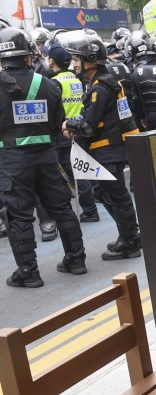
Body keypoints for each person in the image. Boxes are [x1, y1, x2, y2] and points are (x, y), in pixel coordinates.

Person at [0, 28, 87, 287]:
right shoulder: (49, 84)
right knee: (62, 207)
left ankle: (29, 272)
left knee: (19, 216)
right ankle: (76, 259)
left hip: (12, 161)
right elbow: (57, 123)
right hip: (47, 157)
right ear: (28, 56)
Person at [61, 29, 143, 260]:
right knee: (111, 194)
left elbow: (89, 125)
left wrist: (69, 123)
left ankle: (129, 242)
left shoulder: (100, 87)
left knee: (114, 196)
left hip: (108, 150)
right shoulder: (104, 82)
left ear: (89, 60)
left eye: (76, 59)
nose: (73, 63)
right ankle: (129, 236)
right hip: (111, 149)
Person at [45, 37, 100, 223]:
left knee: (75, 172)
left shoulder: (54, 82)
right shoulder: (76, 77)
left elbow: (54, 110)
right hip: (79, 127)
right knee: (81, 168)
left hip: (64, 131)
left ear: (52, 60)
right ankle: (93, 201)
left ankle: (90, 209)